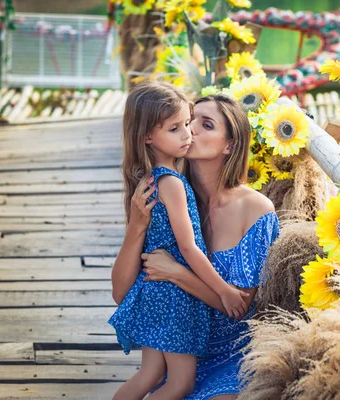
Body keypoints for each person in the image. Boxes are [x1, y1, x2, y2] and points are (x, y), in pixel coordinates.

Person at [112, 92, 280, 400]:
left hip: (230, 356)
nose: (191, 131)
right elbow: (121, 293)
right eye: (187, 122)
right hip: (178, 348)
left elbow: (240, 309)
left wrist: (177, 274)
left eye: (206, 124)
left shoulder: (257, 211)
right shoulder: (165, 194)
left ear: (229, 145)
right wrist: (136, 226)